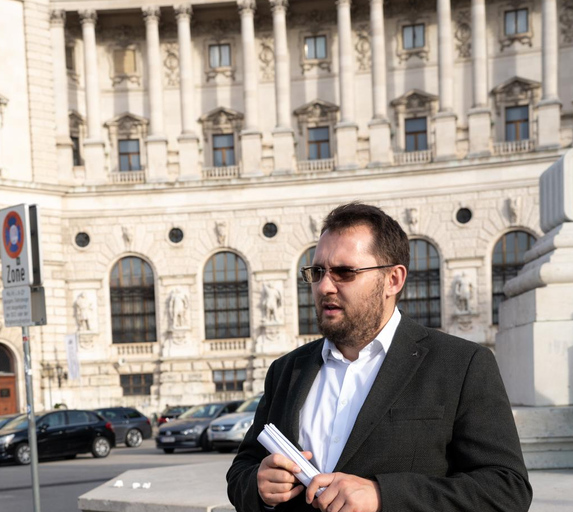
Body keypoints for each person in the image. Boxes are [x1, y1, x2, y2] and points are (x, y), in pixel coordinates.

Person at [226, 202, 531, 512]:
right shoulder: (286, 370)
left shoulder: (462, 365)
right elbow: (242, 472)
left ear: (393, 279)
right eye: (317, 272)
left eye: (344, 272)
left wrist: (383, 495)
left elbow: (507, 490)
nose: (324, 286)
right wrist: (259, 486)